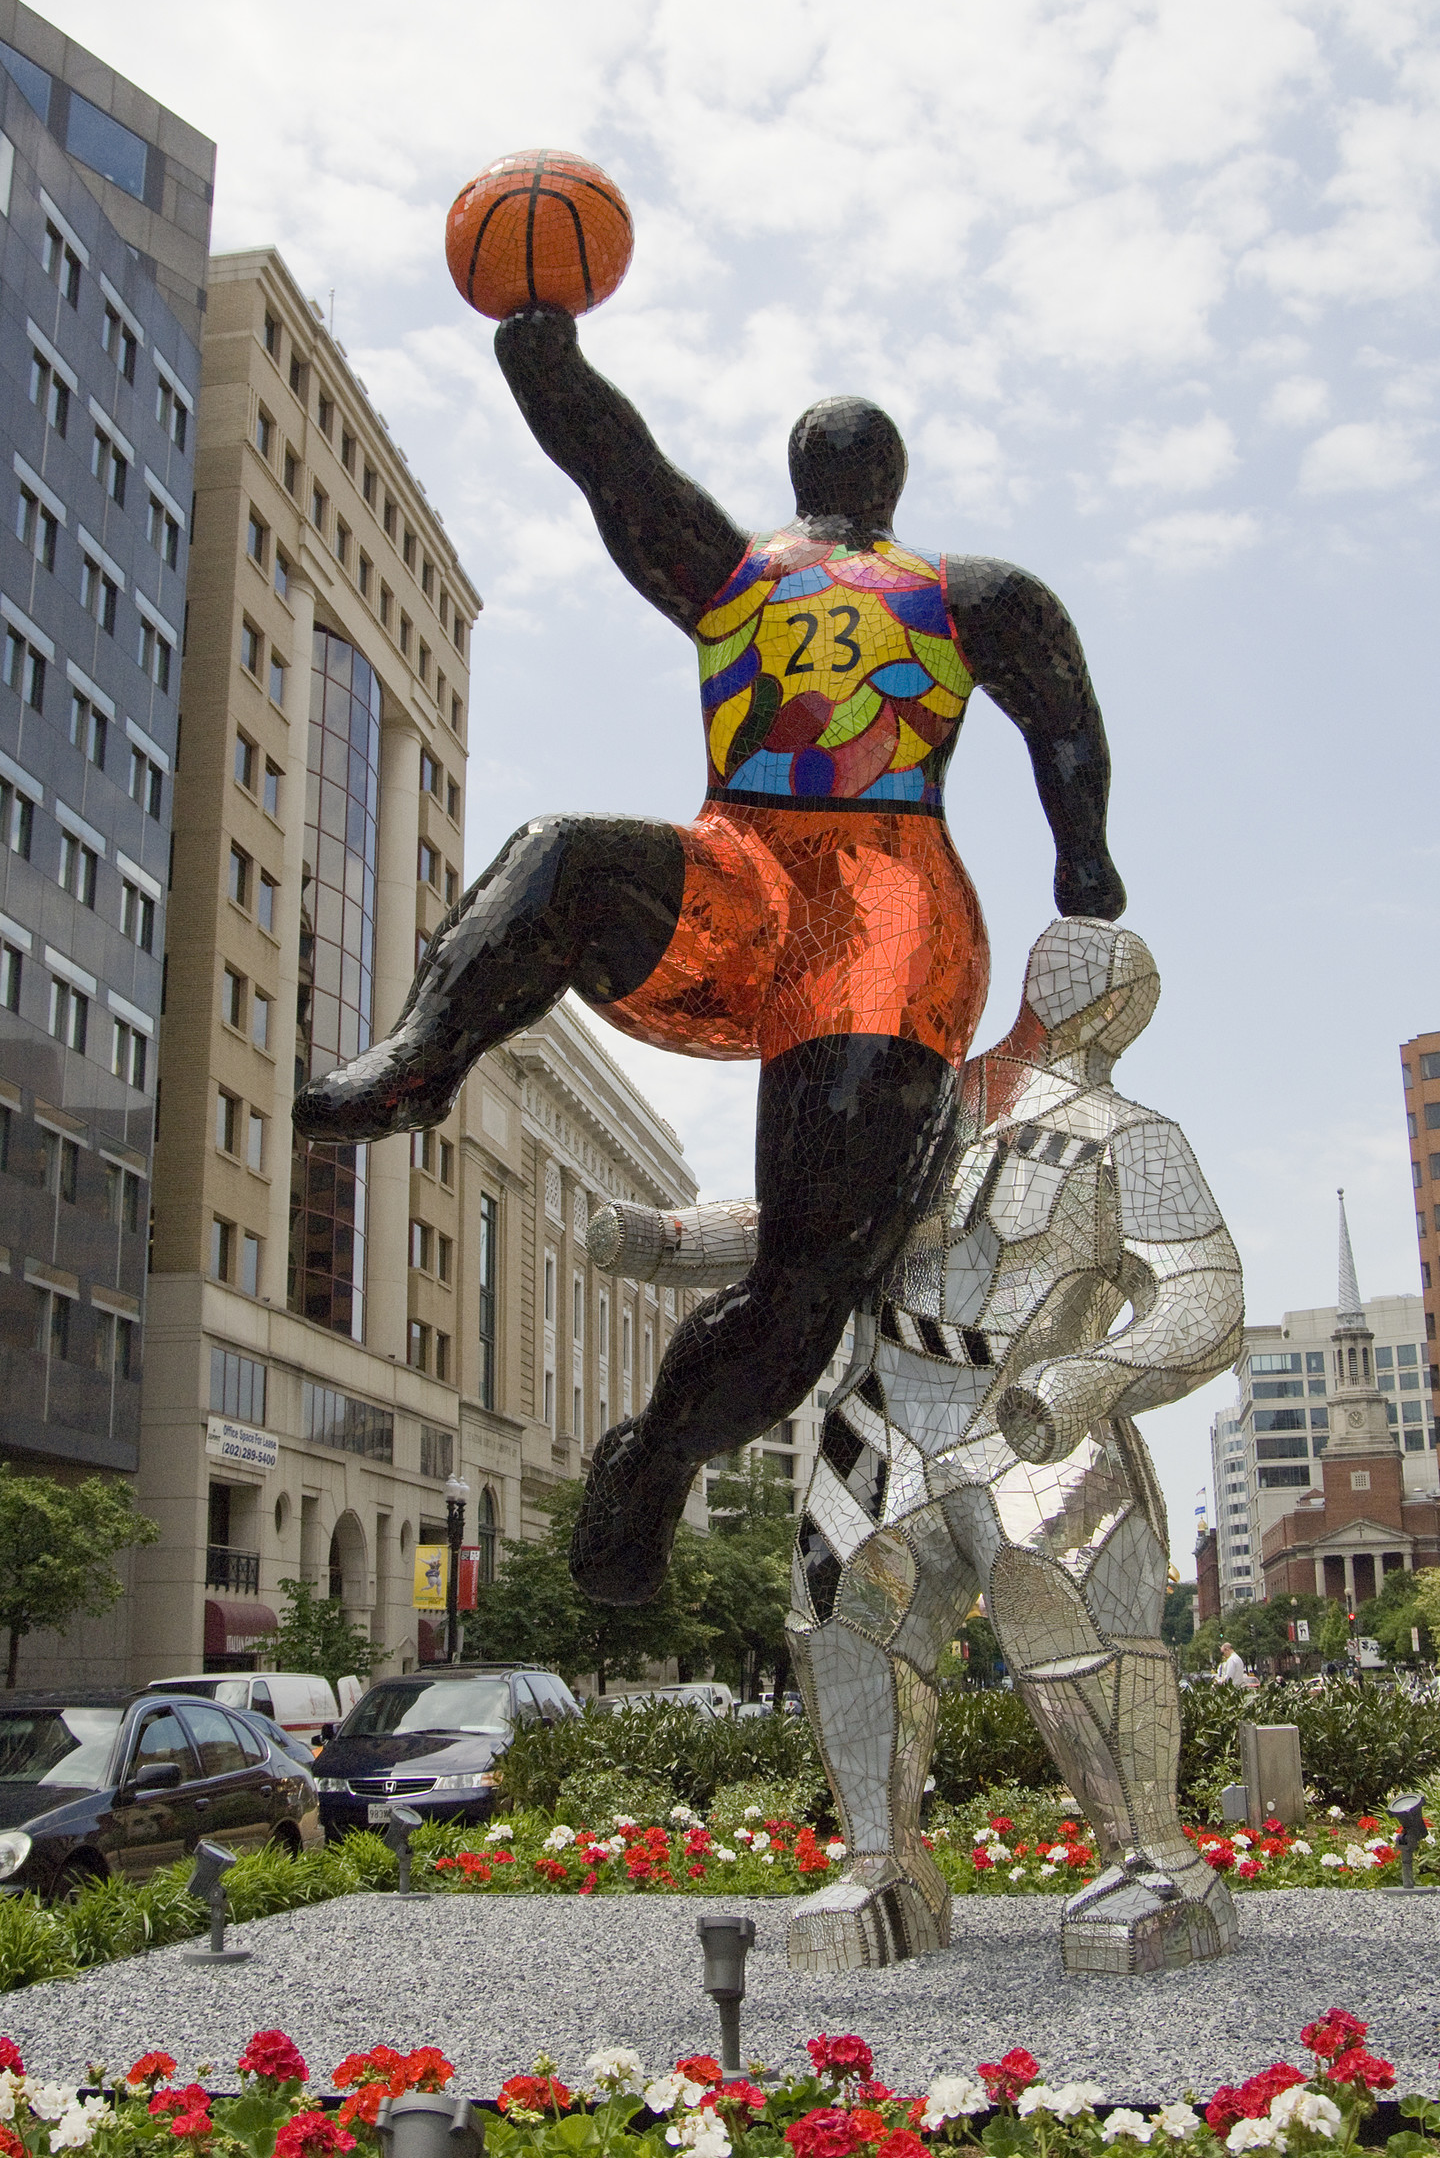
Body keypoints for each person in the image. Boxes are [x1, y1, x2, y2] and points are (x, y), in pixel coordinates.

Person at [291, 305, 1125, 1609]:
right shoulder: (882, 589)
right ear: (869, 481)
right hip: (782, 889)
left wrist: (545, 363)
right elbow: (1067, 717)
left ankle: (657, 1454)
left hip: (876, 922)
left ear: (826, 479)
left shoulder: (921, 590)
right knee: (563, 855)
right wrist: (1084, 853)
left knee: (805, 1279)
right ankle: (424, 1060)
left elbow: (621, 472)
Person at [590, 918, 1244, 1975]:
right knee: (841, 1616)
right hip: (885, 1410)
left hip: (1032, 1414)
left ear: (1118, 1008)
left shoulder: (1133, 1136)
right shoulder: (915, 1113)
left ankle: (1153, 1857)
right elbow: (798, 1224)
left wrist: (1099, 1375)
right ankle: (883, 1860)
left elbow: (1206, 1289)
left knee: (1063, 1602)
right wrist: (662, 1238)